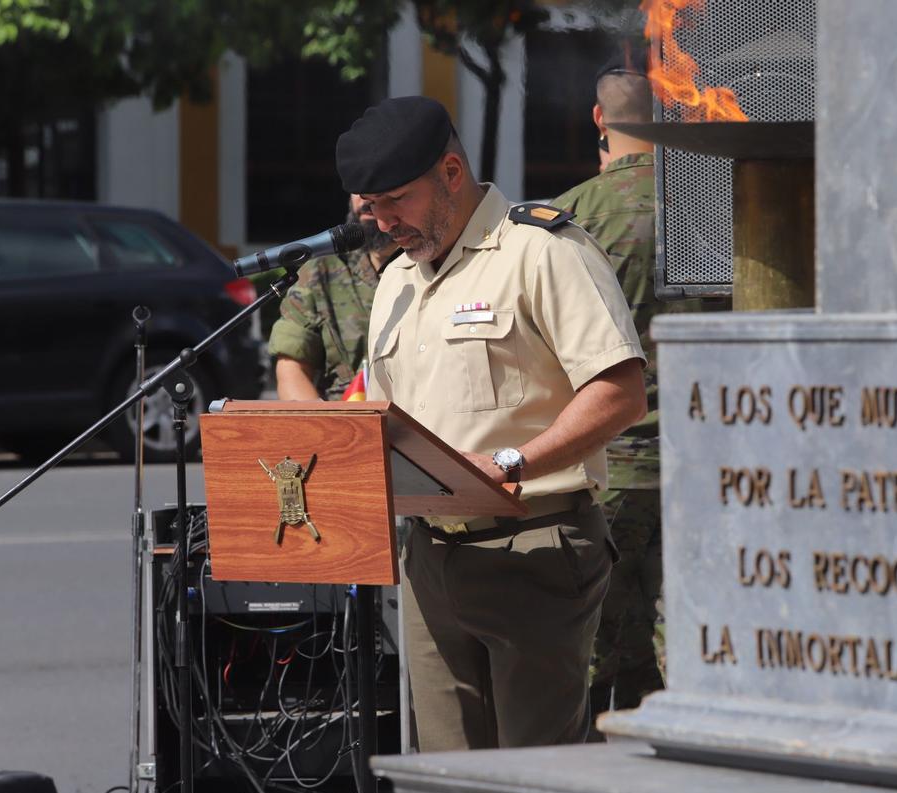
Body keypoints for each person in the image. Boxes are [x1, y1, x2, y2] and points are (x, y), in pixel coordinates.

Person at [336, 95, 647, 752]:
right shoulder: (397, 280)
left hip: (532, 548)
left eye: (396, 200)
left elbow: (620, 392)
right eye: (372, 208)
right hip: (429, 560)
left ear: (452, 172)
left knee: (536, 775)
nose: (384, 222)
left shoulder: (542, 250)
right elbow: (385, 417)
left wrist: (515, 460)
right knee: (448, 776)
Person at [552, 47, 714, 731]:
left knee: (585, 655)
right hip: (703, 461)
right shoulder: (715, 204)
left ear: (599, 119)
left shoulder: (565, 219)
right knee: (691, 646)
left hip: (605, 466)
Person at [267, 195, 396, 400]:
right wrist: (326, 430)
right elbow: (291, 370)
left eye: (376, 185)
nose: (364, 198)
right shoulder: (321, 271)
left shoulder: (433, 265)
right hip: (344, 424)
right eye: (356, 187)